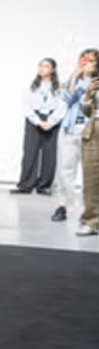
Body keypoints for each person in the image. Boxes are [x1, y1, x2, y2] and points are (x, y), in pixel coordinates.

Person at [51, 49, 98, 223]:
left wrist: (83, 80)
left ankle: (88, 210)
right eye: (84, 60)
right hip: (69, 130)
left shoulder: (95, 82)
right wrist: (74, 77)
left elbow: (89, 98)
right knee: (65, 171)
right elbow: (67, 98)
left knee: (90, 174)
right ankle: (64, 205)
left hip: (90, 133)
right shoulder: (73, 79)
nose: (87, 64)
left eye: (92, 61)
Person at [13, 58, 66, 195]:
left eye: (46, 66)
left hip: (51, 120)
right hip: (34, 120)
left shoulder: (59, 88)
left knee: (49, 154)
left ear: (52, 70)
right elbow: (26, 106)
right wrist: (37, 121)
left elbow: (62, 106)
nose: (42, 68)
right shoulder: (32, 87)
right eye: (40, 66)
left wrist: (51, 121)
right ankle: (25, 185)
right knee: (30, 152)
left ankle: (44, 186)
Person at [78, 77, 98, 236]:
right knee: (91, 178)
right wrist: (88, 94)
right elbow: (86, 111)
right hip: (93, 131)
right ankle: (91, 220)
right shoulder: (96, 83)